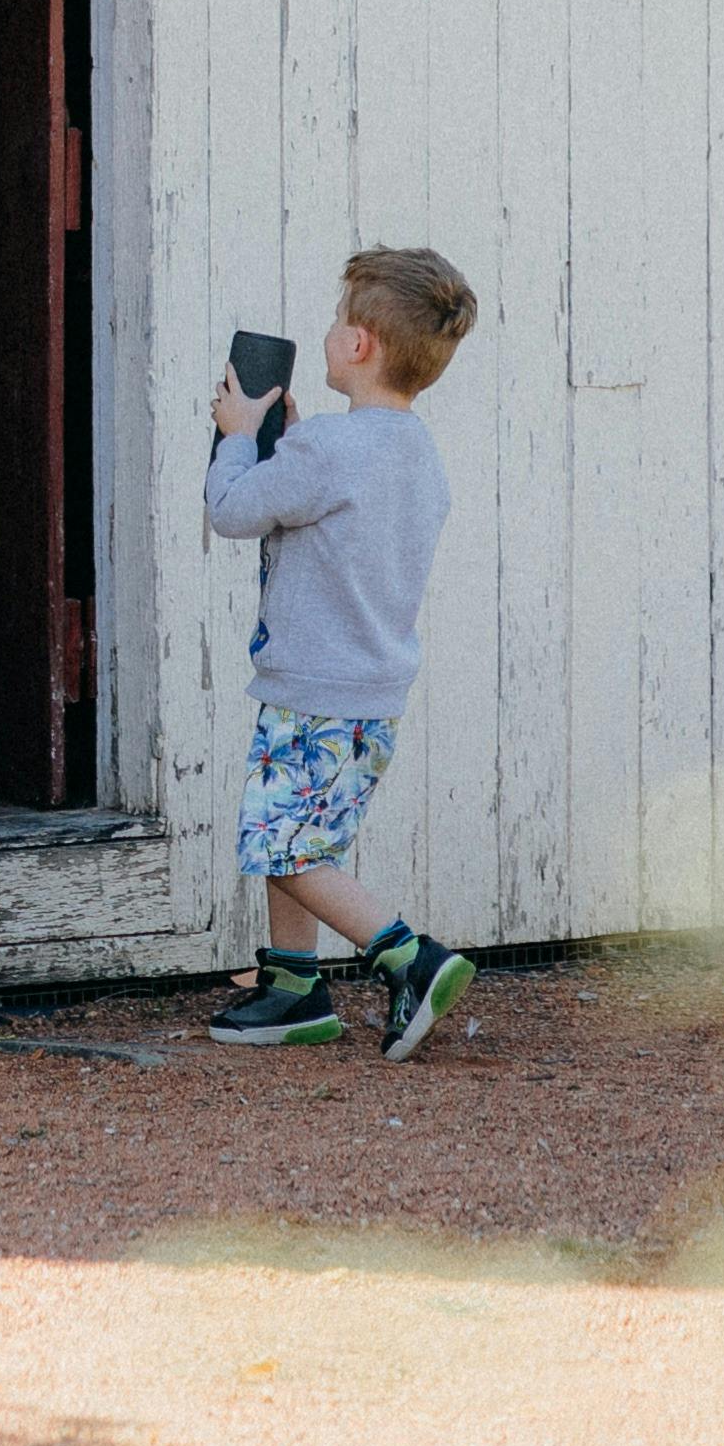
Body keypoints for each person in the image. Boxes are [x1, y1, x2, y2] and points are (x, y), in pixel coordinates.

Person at [202, 246, 481, 1056]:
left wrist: (237, 436)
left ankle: (409, 959)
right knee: (301, 838)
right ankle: (292, 986)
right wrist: (288, 446)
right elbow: (334, 507)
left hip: (311, 692)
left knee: (280, 845)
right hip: (370, 696)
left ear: (358, 342)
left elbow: (231, 509)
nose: (328, 331)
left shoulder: (325, 447)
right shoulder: (413, 450)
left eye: (336, 319)